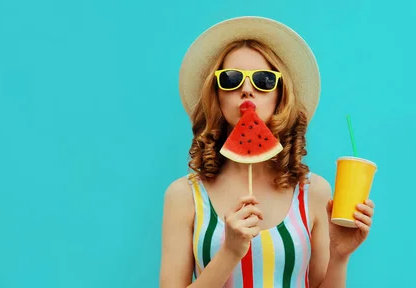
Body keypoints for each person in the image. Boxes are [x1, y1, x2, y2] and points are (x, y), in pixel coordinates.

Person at [160, 16, 376, 288]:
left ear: (280, 95)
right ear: (217, 94)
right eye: (231, 79)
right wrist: (230, 252)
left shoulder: (314, 192)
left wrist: (340, 256)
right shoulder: (184, 197)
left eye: (263, 80)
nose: (247, 90)